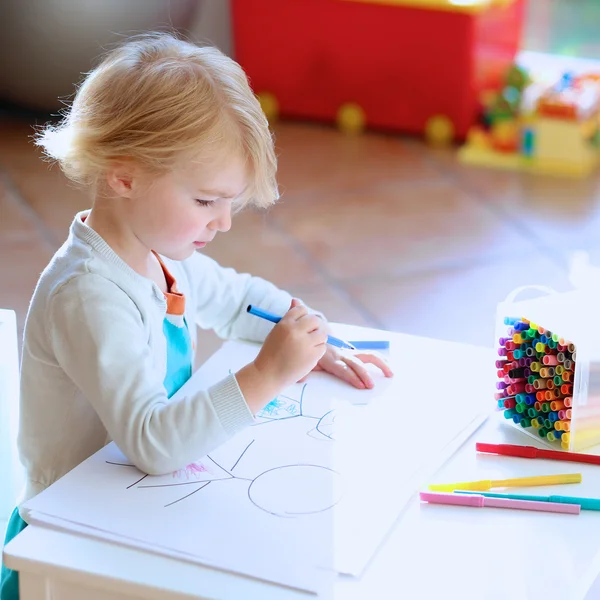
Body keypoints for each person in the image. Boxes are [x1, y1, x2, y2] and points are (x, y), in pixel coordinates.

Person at [0, 32, 393, 600]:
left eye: (231, 203)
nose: (224, 222)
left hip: (136, 507)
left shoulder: (156, 252)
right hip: (67, 542)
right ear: (124, 175)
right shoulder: (89, 296)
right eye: (207, 201)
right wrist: (267, 375)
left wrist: (302, 332)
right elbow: (152, 443)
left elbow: (237, 301)